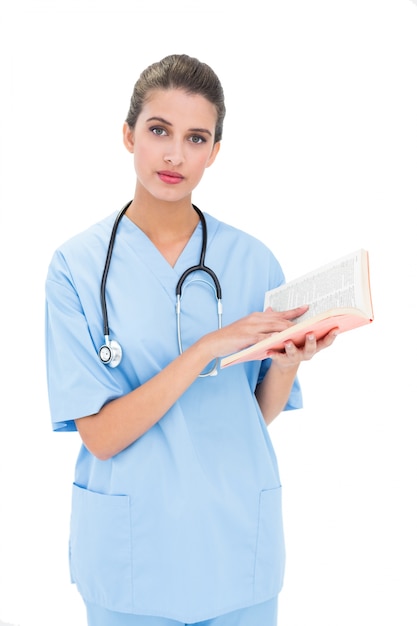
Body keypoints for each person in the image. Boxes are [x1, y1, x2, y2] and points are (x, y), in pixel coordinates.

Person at [45, 53, 337, 626]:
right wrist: (206, 347)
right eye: (159, 131)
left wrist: (287, 364)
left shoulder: (253, 260)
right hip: (133, 555)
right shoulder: (76, 268)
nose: (175, 154)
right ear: (129, 136)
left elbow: (249, 415)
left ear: (215, 152)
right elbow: (100, 436)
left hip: (236, 548)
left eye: (196, 138)